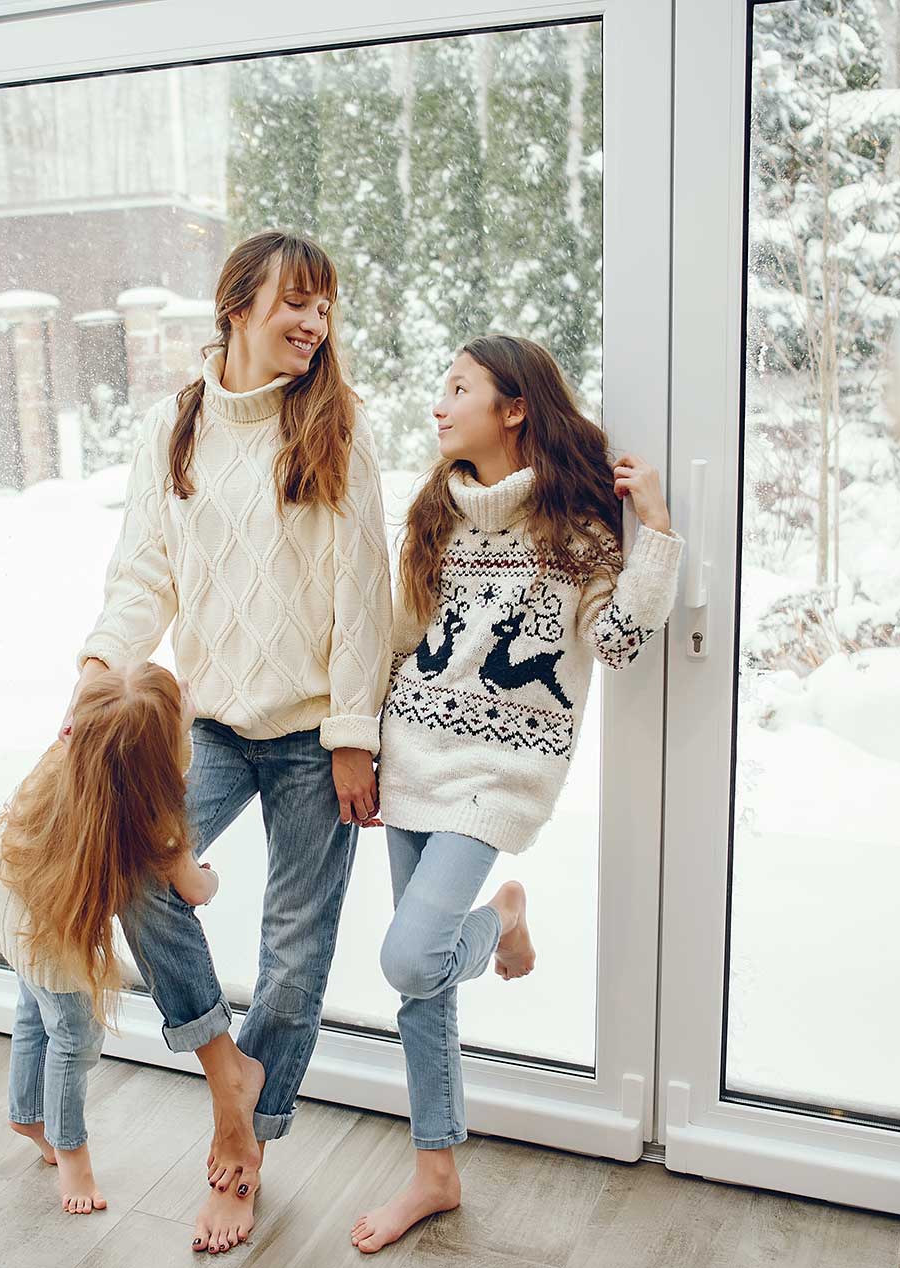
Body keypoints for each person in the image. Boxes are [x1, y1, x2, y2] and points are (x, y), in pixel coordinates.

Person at [67, 229, 392, 1253]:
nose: (314, 323)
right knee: (129, 868)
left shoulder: (336, 426)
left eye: (326, 307)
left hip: (311, 737)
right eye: (297, 300)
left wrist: (351, 735)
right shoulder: (174, 425)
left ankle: (243, 1154)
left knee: (293, 954)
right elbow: (142, 575)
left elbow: (364, 598)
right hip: (206, 720)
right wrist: (98, 665)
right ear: (237, 305)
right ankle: (226, 1074)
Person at [348, 334, 682, 1254]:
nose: (439, 404)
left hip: (501, 774)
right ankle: (436, 1171)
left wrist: (653, 528)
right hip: (412, 752)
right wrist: (366, 750)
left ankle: (496, 920)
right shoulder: (433, 516)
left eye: (459, 388)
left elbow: (616, 643)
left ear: (514, 408)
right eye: (440, 388)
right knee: (424, 993)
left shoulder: (573, 529)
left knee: (413, 959)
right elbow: (398, 640)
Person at [0, 663, 219, 1214]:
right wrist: (212, 877)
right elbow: (194, 889)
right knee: (73, 1035)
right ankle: (73, 1161)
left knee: (33, 1005)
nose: (187, 705)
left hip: (6, 898)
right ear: (158, 761)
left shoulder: (69, 757)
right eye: (179, 720)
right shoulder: (154, 820)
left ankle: (27, 1113)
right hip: (47, 932)